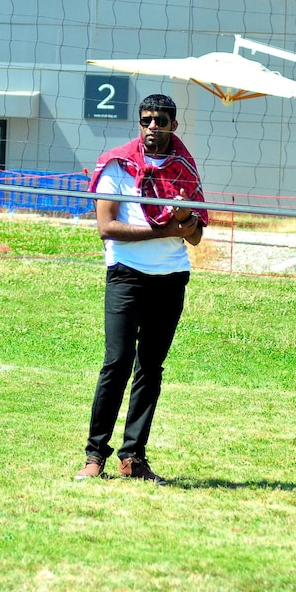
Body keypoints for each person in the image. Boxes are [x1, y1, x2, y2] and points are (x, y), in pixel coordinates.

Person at [76, 93, 208, 485]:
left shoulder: (184, 168)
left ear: (173, 125)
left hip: (171, 277)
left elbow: (195, 236)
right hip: (127, 275)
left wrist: (184, 216)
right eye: (146, 119)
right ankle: (95, 455)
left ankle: (133, 457)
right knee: (117, 362)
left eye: (160, 121)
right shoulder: (117, 164)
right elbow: (106, 228)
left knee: (150, 368)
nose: (153, 126)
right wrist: (165, 229)